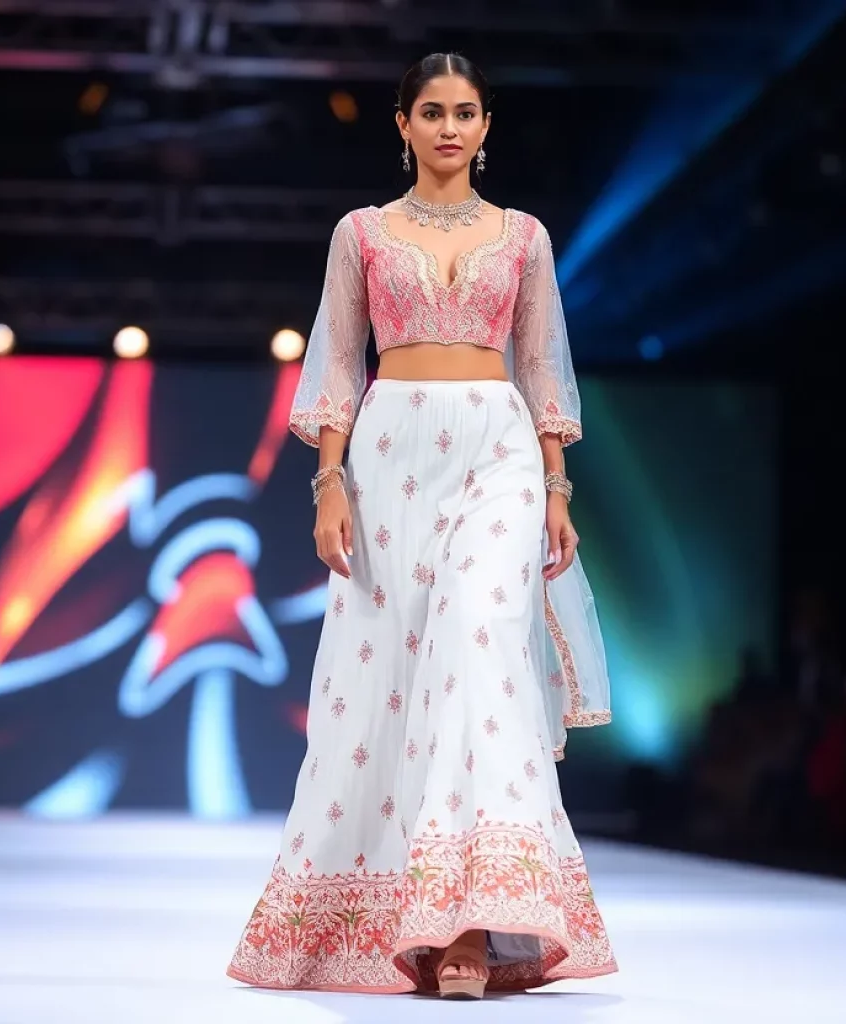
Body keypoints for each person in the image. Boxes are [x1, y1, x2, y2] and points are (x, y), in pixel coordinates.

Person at [227, 52, 617, 999]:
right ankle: (398, 912)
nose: (450, 127)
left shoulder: (524, 237)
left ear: (486, 126)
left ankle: (470, 923)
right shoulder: (361, 232)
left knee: (480, 651)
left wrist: (558, 489)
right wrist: (328, 483)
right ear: (401, 124)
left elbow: (542, 366)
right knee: (387, 678)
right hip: (389, 456)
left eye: (466, 112)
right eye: (432, 112)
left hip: (498, 450)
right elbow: (336, 360)